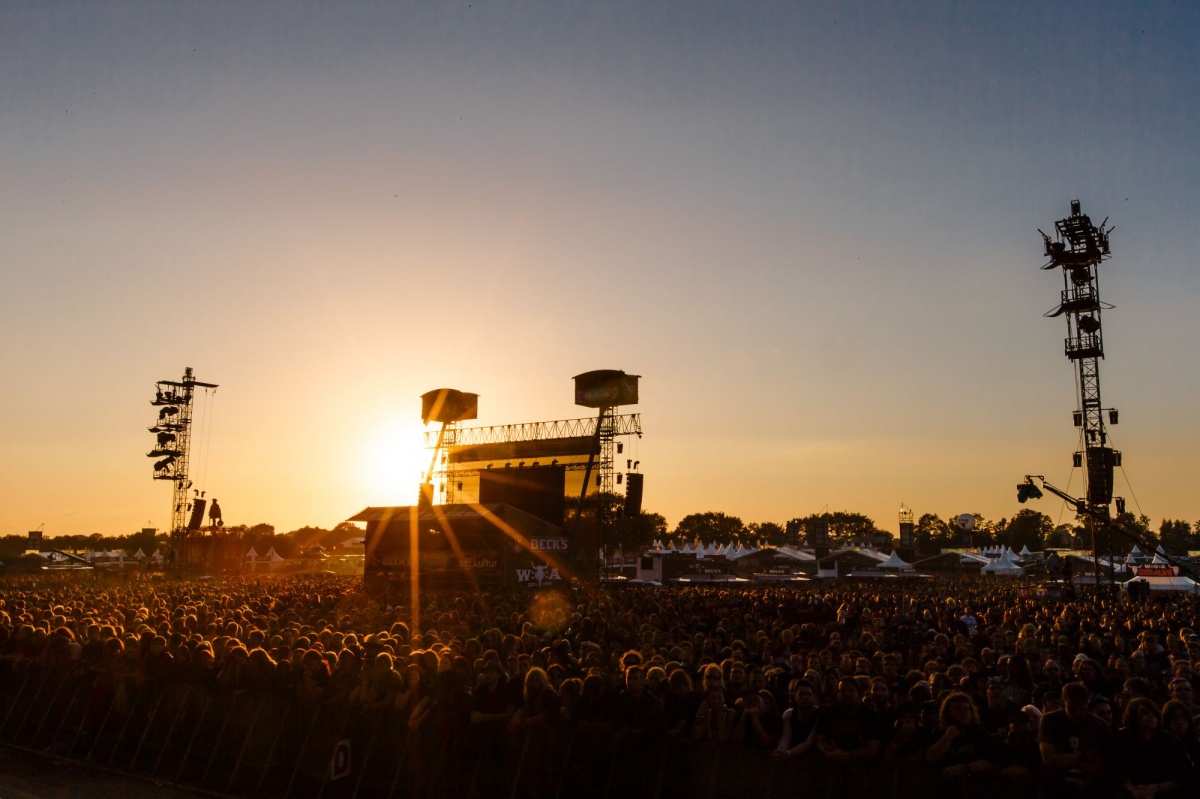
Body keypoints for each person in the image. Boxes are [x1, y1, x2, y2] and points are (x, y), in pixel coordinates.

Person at [1039, 682, 1114, 798]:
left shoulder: (1100, 726)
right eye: (1073, 707)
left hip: (1091, 786)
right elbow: (1048, 759)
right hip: (1057, 783)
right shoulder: (1050, 720)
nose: (1078, 712)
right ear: (1064, 701)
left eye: (1082, 707)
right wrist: (1085, 756)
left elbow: (1101, 770)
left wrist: (1063, 755)